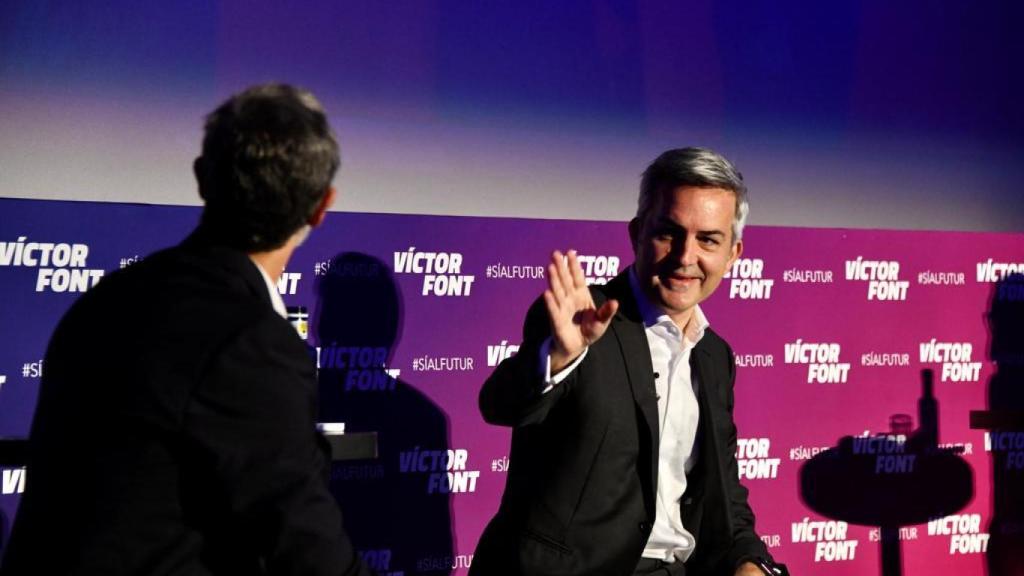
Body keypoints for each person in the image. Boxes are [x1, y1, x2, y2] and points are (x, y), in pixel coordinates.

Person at [1, 84, 370, 576]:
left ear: (201, 179)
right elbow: (304, 549)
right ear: (322, 207)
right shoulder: (250, 342)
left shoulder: (103, 301)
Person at [472, 148, 780, 576]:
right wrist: (561, 355)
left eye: (708, 239)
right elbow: (501, 404)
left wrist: (752, 562)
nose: (686, 257)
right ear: (637, 234)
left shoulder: (714, 356)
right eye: (668, 233)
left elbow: (723, 495)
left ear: (733, 254)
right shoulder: (581, 319)